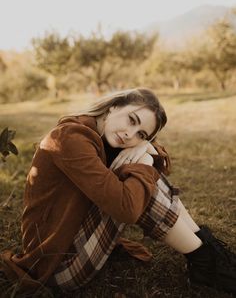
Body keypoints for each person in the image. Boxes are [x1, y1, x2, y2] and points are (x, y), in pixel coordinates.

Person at [0, 88, 235, 296]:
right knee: (140, 184)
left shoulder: (106, 137)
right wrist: (143, 161)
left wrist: (147, 148)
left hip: (72, 249)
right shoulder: (69, 138)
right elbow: (127, 209)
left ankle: (207, 249)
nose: (129, 135)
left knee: (143, 175)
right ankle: (204, 260)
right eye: (131, 120)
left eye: (141, 134)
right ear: (113, 107)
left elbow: (162, 165)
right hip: (57, 265)